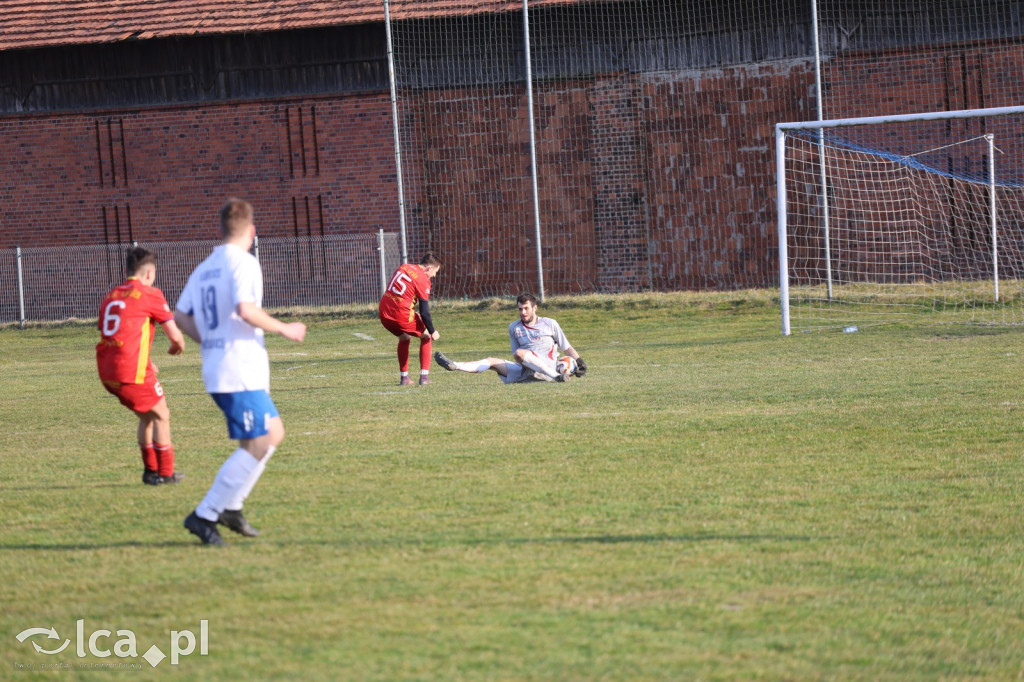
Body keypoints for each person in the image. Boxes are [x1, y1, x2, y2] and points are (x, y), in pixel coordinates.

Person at [174, 198, 307, 546]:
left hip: (226, 366)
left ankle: (232, 506)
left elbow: (180, 315)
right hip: (237, 370)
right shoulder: (244, 264)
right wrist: (285, 329)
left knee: (272, 433)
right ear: (251, 231)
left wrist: (209, 340)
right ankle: (205, 515)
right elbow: (246, 310)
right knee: (260, 441)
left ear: (221, 230)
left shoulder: (205, 266)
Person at [97, 247, 187, 485]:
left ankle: (150, 472)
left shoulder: (112, 295)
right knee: (162, 415)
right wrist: (177, 346)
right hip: (130, 371)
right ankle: (165, 473)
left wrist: (146, 361)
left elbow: (120, 334)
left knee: (148, 417)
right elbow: (176, 337)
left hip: (107, 370)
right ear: (149, 273)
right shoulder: (150, 294)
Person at [434, 292, 588, 383]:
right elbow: (517, 357)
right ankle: (455, 365)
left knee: (520, 353)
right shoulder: (514, 327)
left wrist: (579, 362)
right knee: (491, 361)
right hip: (526, 370)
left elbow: (566, 347)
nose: (523, 312)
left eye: (526, 308)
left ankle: (556, 377)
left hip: (548, 370)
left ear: (535, 308)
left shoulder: (549, 323)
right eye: (520, 309)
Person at [378, 252, 443, 385]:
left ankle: (404, 378)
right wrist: (432, 331)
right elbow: (424, 312)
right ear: (429, 268)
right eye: (435, 272)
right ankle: (424, 378)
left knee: (404, 337)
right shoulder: (423, 279)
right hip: (400, 314)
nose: (434, 276)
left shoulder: (405, 267)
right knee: (426, 336)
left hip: (384, 311)